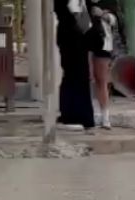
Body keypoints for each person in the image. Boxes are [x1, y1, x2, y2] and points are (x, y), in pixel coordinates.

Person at [54, 0, 96, 129]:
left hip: (81, 37)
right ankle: (71, 113)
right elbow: (59, 9)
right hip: (69, 38)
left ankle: (82, 114)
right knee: (72, 74)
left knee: (81, 75)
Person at [88, 0, 120, 128]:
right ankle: (89, 113)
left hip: (102, 43)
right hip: (84, 42)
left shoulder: (109, 2)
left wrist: (103, 14)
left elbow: (115, 20)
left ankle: (105, 116)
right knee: (87, 77)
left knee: (101, 80)